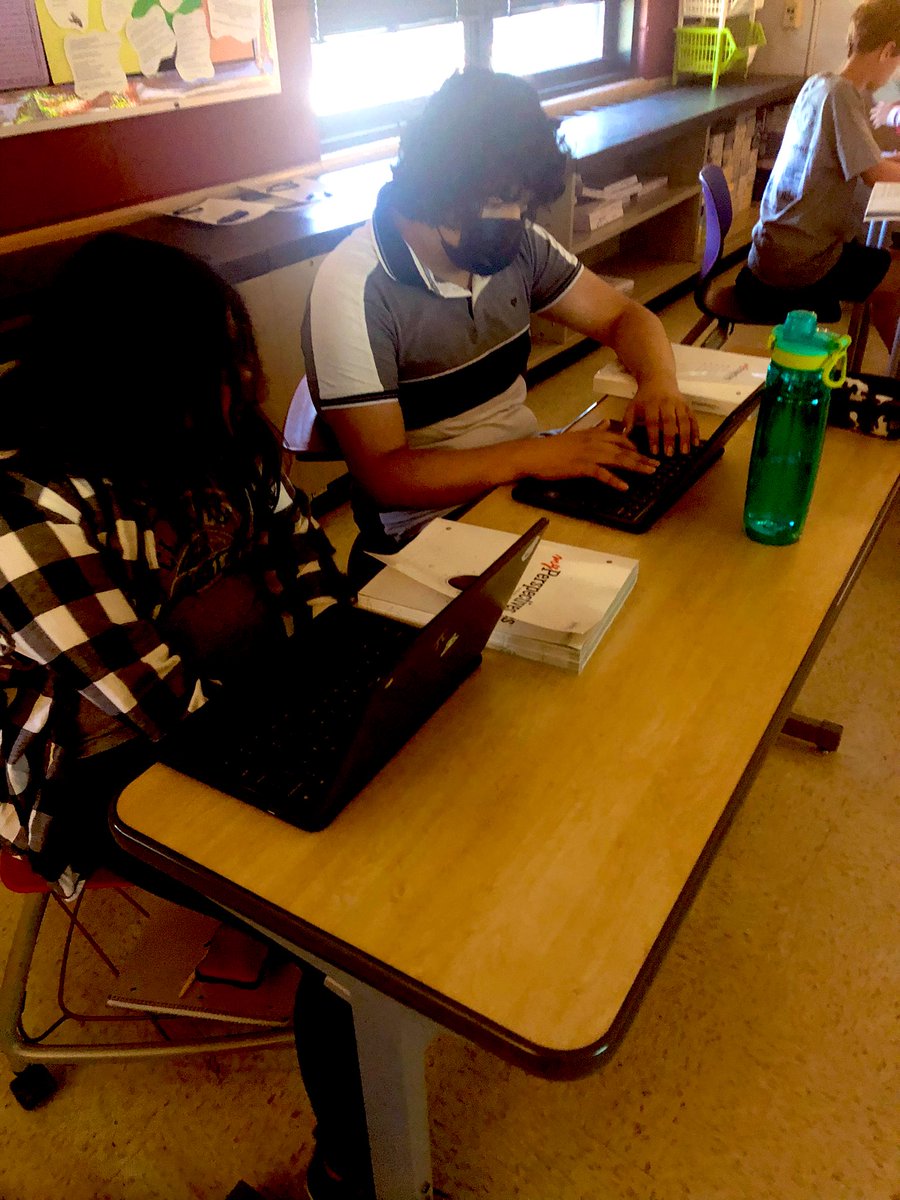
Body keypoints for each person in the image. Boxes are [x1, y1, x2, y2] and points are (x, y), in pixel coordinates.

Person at [0, 234, 369, 1200]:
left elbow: (302, 562)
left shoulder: (212, 440)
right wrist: (260, 645)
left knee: (387, 782)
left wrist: (335, 660)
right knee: (351, 916)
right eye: (218, 367)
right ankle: (345, 1174)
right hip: (92, 765)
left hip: (222, 694)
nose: (245, 381)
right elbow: (161, 700)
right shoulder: (25, 509)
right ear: (130, 385)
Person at [301, 68, 698, 575]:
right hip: (424, 531)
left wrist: (660, 383)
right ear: (437, 186)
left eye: (521, 201)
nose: (512, 217)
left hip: (521, 483)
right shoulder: (353, 289)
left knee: (659, 552)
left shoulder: (517, 246)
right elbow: (384, 474)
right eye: (493, 201)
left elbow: (623, 315)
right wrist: (529, 456)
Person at [737, 0, 900, 337]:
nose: (894, 72)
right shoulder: (843, 96)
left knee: (884, 264)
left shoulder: (821, 84)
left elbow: (870, 162)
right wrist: (888, 165)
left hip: (774, 248)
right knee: (897, 278)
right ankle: (888, 379)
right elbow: (877, 175)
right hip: (799, 265)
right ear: (888, 51)